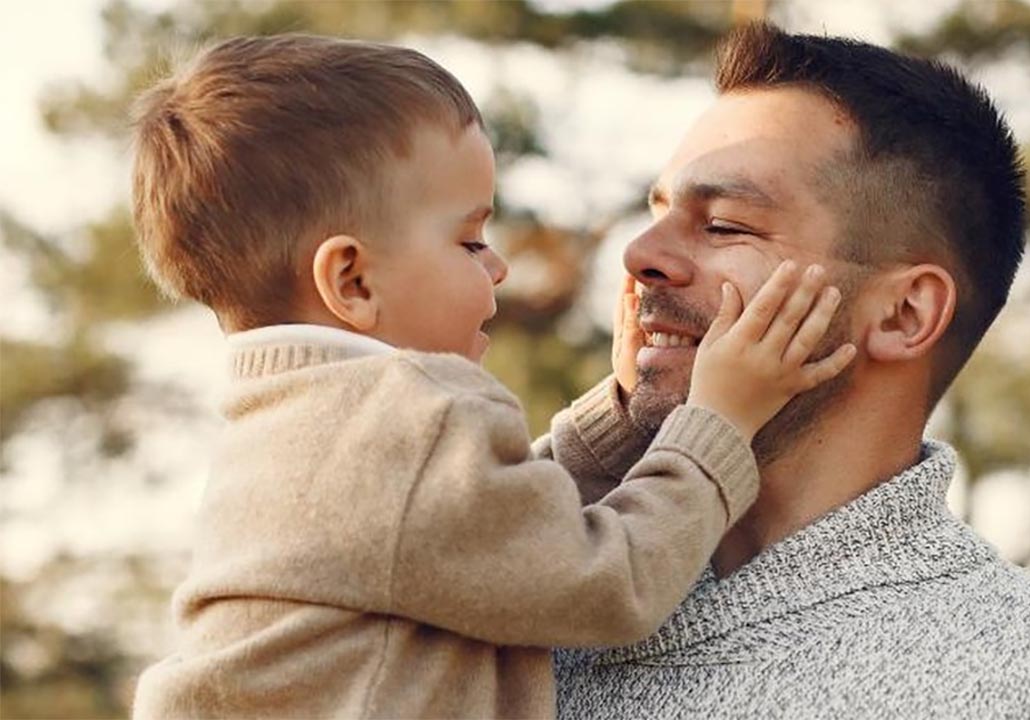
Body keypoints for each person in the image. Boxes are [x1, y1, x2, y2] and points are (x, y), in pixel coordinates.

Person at [126, 34, 857, 719]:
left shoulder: (292, 421)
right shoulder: (411, 413)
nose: (498, 266)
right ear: (351, 280)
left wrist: (625, 414)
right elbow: (609, 584)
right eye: (470, 240)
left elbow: (485, 532)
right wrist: (720, 421)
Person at [554, 21, 1030, 719]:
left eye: (726, 224)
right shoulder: (536, 591)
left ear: (904, 315)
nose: (640, 253)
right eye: (661, 210)